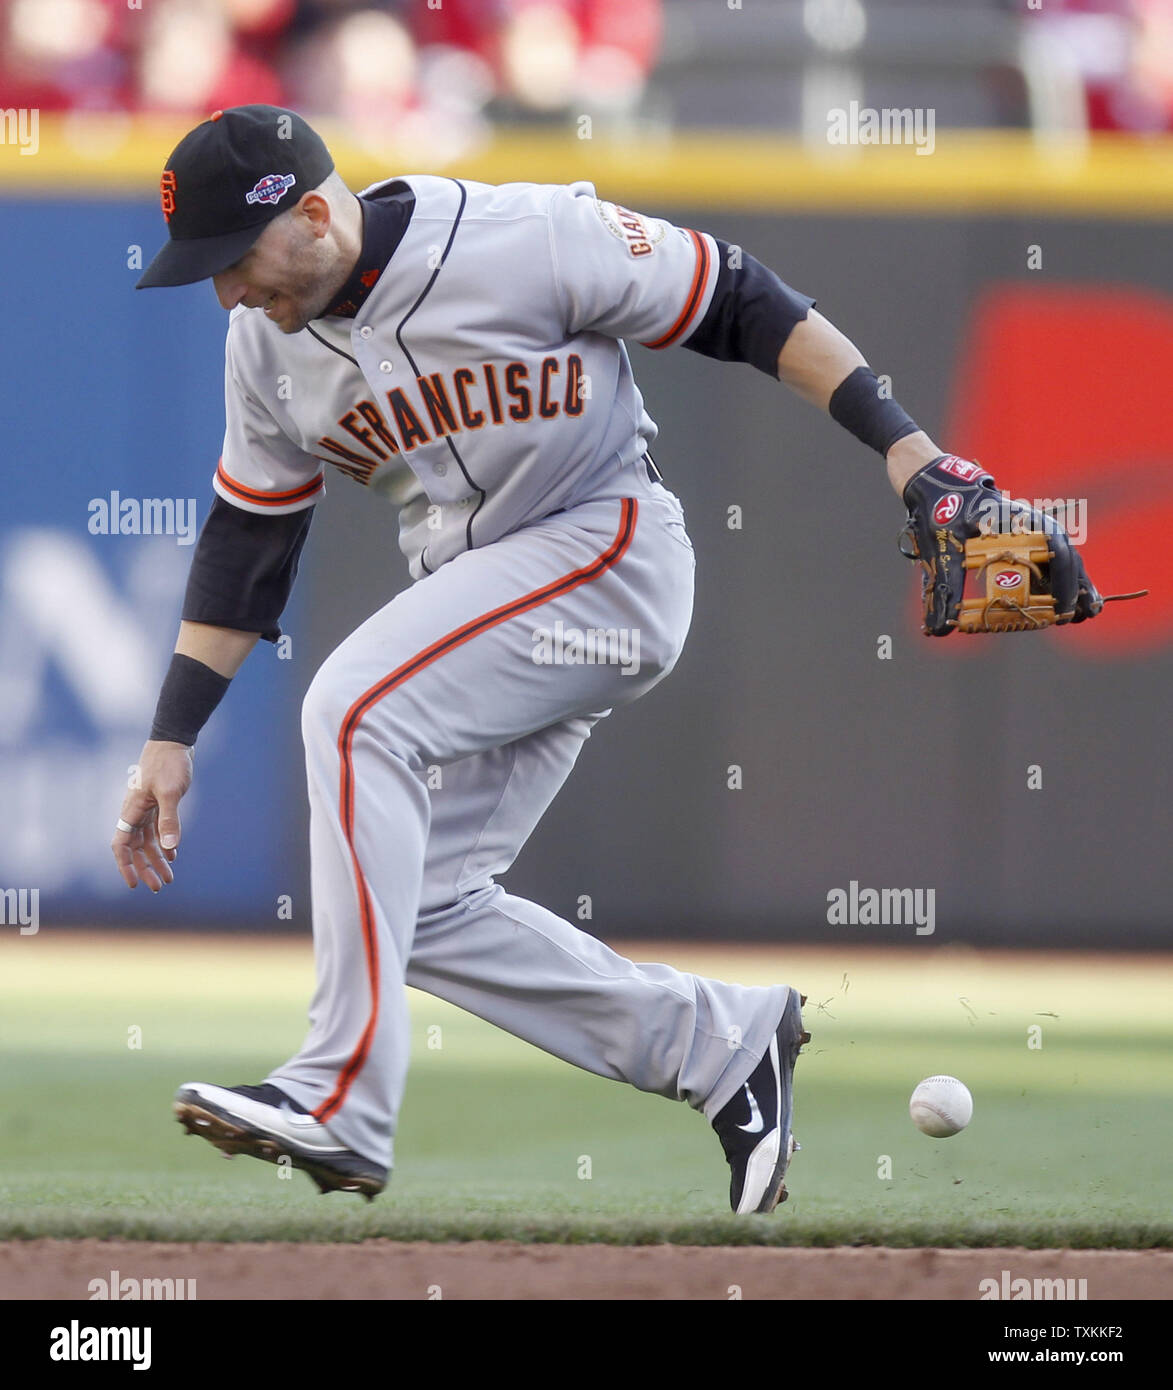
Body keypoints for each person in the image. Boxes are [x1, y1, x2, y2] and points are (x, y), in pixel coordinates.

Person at [111, 104, 1095, 1215]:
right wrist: (171, 735)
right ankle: (720, 1043)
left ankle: (339, 1098)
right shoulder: (266, 347)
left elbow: (736, 294)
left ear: (313, 211)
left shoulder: (515, 240)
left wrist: (907, 448)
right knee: (420, 904)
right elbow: (251, 536)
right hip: (489, 604)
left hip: (607, 550)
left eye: (234, 260)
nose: (230, 293)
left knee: (351, 708)